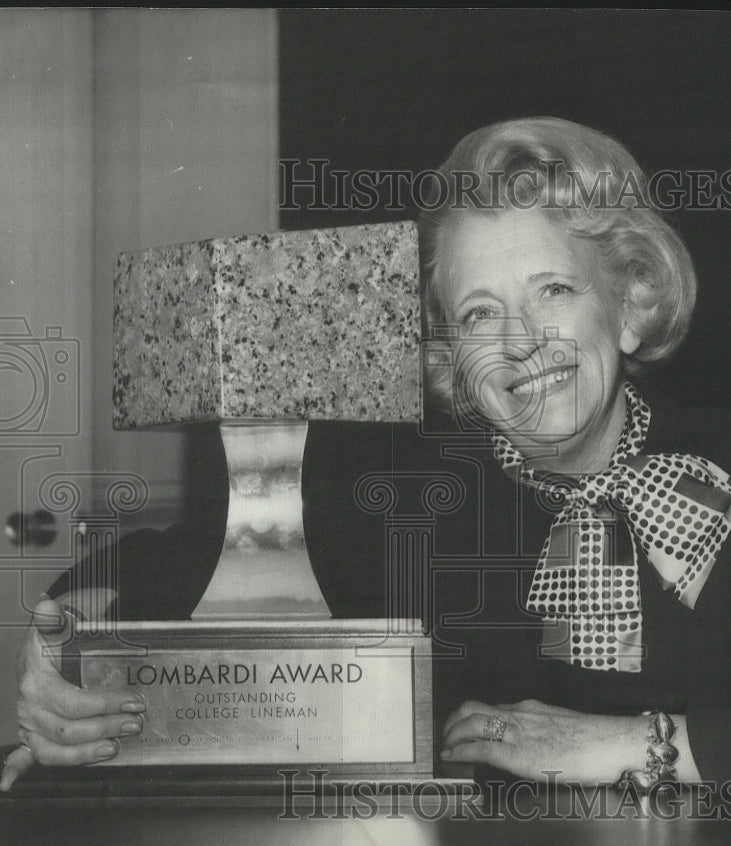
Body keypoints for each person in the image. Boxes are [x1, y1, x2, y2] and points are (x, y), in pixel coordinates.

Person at [2, 117, 729, 793]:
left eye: (554, 290)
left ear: (631, 303)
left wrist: (641, 744)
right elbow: (183, 558)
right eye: (479, 313)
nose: (519, 341)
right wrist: (64, 641)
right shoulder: (409, 500)